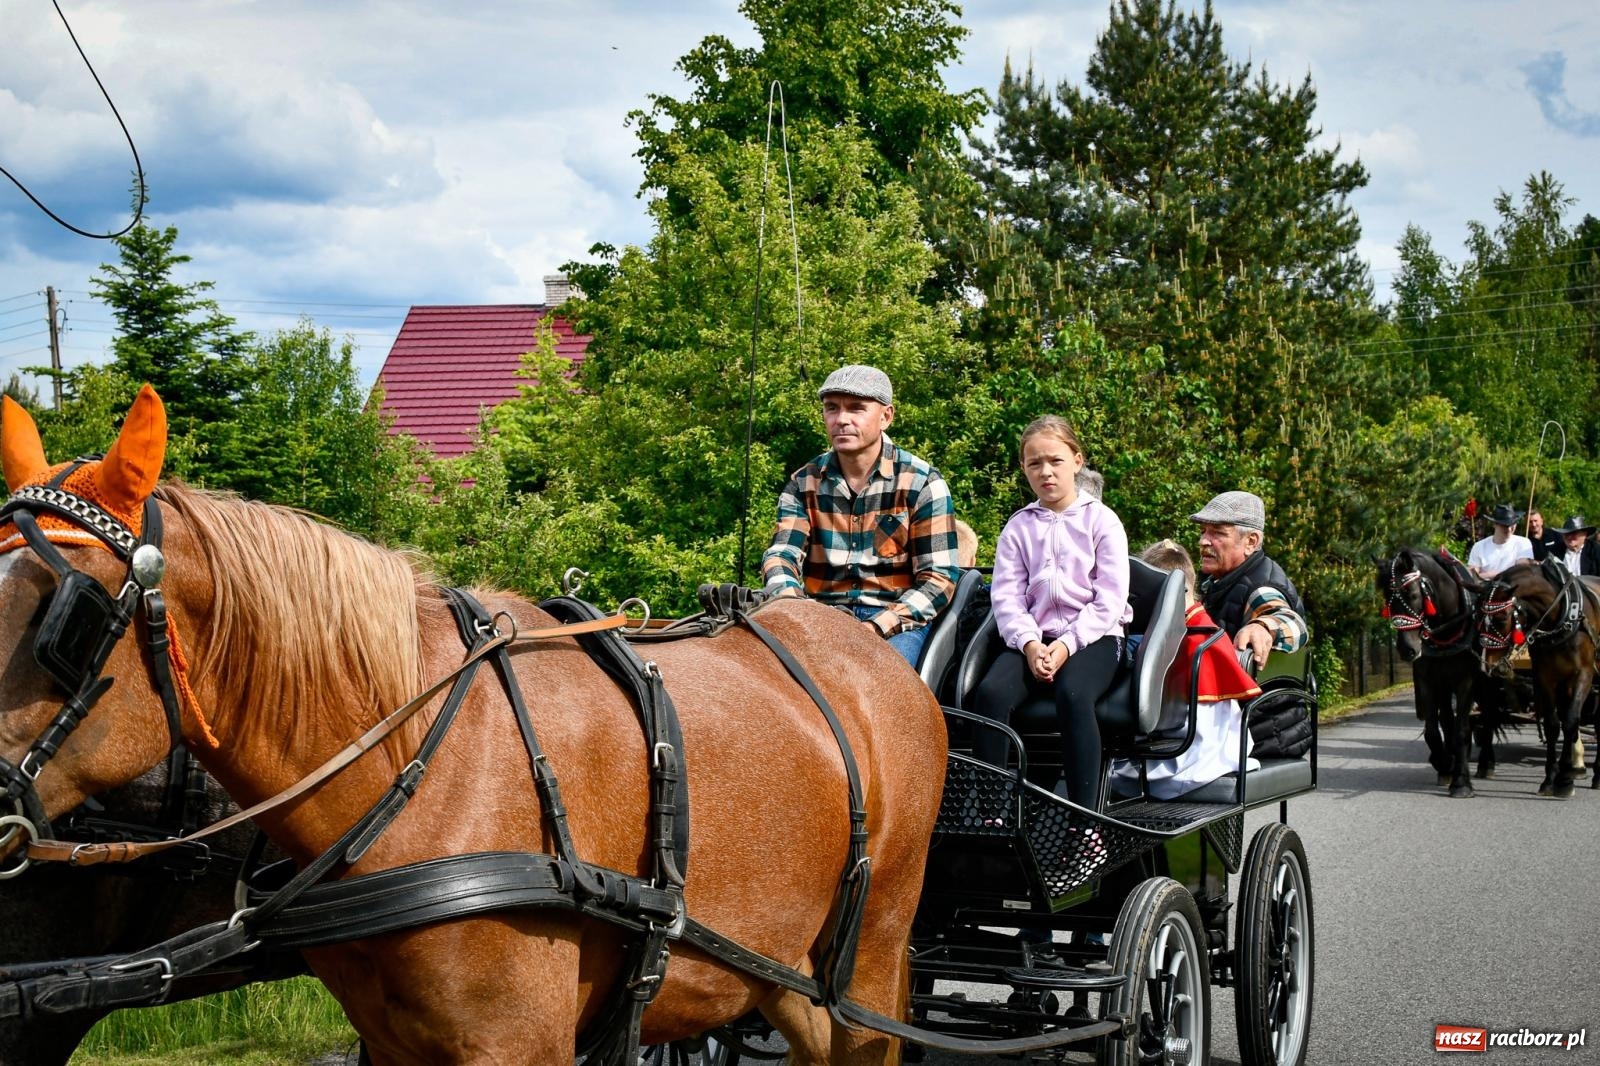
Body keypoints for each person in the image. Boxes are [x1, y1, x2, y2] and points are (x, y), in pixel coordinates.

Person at [971, 416, 1131, 810]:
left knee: (1073, 694)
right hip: (1033, 637)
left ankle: (1086, 817)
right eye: (1034, 464)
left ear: (1077, 461)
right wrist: (1028, 643)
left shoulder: (1102, 521)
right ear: (1024, 468)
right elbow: (1006, 598)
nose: (1045, 472)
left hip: (1094, 636)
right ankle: (993, 813)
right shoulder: (1018, 527)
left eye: (1055, 461)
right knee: (989, 694)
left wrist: (1066, 644)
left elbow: (1109, 599)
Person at [762, 364, 960, 667]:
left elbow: (939, 579)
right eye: (832, 408)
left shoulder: (922, 482)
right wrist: (793, 607)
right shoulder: (803, 482)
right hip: (819, 616)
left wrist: (876, 626)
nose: (841, 419)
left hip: (895, 620)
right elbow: (780, 556)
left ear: (886, 416)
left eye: (856, 409)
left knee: (884, 691)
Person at [1110, 540, 1262, 799]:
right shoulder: (1202, 630)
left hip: (1192, 759)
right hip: (1201, 746)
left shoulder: (1195, 640)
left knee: (1114, 776)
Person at [1189, 491, 1308, 670]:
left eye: (1217, 533)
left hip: (1256, 698)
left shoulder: (1261, 588)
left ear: (1251, 542)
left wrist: (1263, 627)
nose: (1203, 541)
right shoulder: (1217, 580)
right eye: (1203, 531)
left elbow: (1293, 624)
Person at [1467, 503, 1535, 580]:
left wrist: (1490, 575)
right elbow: (1472, 576)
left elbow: (1521, 572)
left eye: (1512, 524)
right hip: (1485, 589)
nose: (1509, 529)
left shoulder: (1523, 543)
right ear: (1494, 524)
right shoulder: (1479, 546)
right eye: (1504, 525)